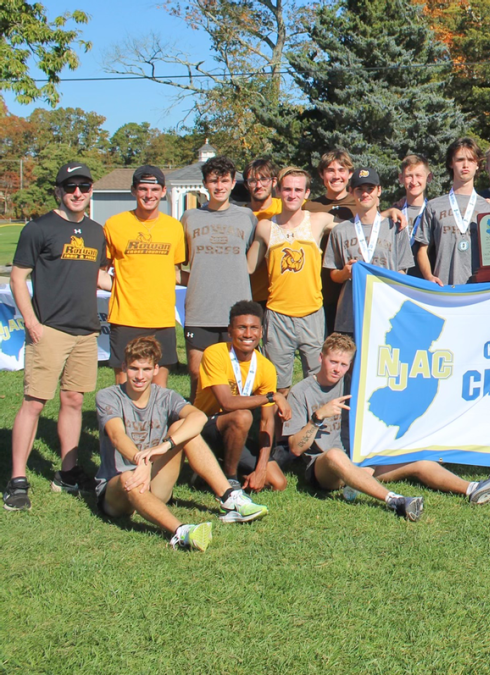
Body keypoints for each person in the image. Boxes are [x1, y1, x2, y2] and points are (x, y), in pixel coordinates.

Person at [281, 335, 490, 520]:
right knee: (333, 454)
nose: (337, 369)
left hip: (361, 461)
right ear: (320, 358)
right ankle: (395, 500)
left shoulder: (355, 382)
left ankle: (474, 489)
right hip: (325, 471)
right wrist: (317, 417)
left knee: (419, 461)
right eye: (333, 361)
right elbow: (295, 448)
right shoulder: (301, 392)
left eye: (344, 364)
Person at [94, 337, 269, 550]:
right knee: (128, 477)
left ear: (156, 369)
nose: (140, 376)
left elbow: (199, 418)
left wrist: (165, 446)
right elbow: (116, 436)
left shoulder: (165, 396)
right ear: (124, 367)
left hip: (153, 483)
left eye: (146, 369)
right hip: (118, 491)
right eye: (134, 369)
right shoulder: (108, 396)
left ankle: (229, 498)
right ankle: (182, 532)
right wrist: (140, 461)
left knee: (185, 430)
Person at [5, 162, 112, 510]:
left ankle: (66, 473)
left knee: (74, 401)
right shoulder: (38, 229)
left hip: (85, 331)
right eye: (70, 187)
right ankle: (17, 480)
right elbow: (18, 278)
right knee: (35, 402)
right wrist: (32, 322)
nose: (77, 193)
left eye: (83, 186)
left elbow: (99, 276)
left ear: (91, 190)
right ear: (58, 192)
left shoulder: (96, 232)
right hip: (49, 329)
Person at [249, 167, 337, 392]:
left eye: (298, 189)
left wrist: (387, 213)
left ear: (307, 193)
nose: (292, 194)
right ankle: (280, 427)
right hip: (278, 316)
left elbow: (357, 227)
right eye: (287, 189)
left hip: (312, 314)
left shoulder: (319, 221)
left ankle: (314, 424)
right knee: (279, 387)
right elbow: (247, 268)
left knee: (319, 381)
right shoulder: (266, 227)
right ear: (277, 190)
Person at [181, 156, 259, 399]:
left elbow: (251, 262)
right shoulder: (189, 217)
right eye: (213, 181)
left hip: (236, 310)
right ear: (205, 183)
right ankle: (196, 428)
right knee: (197, 374)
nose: (219, 186)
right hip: (200, 309)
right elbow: (179, 263)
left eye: (224, 180)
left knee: (235, 377)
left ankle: (233, 429)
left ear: (232, 183)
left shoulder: (247, 218)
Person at [194, 301, 292, 492]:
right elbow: (227, 402)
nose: (248, 334)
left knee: (278, 483)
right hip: (205, 427)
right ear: (230, 331)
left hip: (239, 431)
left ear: (261, 332)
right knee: (242, 416)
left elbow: (266, 422)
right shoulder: (215, 354)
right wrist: (272, 397)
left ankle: (216, 471)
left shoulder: (265, 367)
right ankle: (230, 482)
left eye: (254, 328)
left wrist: (261, 468)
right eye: (242, 328)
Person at [103, 165, 186, 387]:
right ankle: (123, 422)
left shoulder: (174, 227)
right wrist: (121, 286)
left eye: (154, 189)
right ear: (133, 191)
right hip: (125, 318)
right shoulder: (114, 225)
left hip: (162, 319)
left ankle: (155, 423)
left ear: (163, 191)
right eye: (142, 189)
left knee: (159, 387)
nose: (149, 195)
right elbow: (99, 273)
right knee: (124, 383)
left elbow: (175, 272)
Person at [323, 168, 414, 335]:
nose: (365, 194)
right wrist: (345, 272)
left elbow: (402, 271)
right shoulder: (340, 231)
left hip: (387, 314)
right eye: (359, 189)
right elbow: (333, 274)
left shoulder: (395, 227)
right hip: (351, 315)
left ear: (379, 191)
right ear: (351, 192)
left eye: (370, 189)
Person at [416, 137, 487, 286]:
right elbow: (422, 249)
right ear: (451, 163)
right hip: (444, 289)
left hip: (479, 290)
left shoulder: (489, 209)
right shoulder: (434, 206)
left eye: (471, 159)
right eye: (460, 159)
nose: (465, 165)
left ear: (478, 165)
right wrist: (429, 277)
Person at [303, 149, 356, 337]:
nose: (336, 176)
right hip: (319, 286)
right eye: (330, 170)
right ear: (321, 174)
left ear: (350, 174)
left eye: (341, 170)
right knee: (323, 348)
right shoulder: (309, 207)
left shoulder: (360, 204)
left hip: (349, 286)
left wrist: (390, 212)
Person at [244, 157, 281, 311]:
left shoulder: (286, 208)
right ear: (246, 185)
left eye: (264, 179)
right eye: (253, 181)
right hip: (249, 294)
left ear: (273, 181)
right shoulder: (241, 215)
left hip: (280, 295)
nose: (259, 185)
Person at [395, 154, 432, 275]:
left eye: (418, 175)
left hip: (427, 282)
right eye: (409, 176)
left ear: (428, 177)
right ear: (401, 178)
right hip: (399, 280)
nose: (414, 181)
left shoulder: (434, 211)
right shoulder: (394, 212)